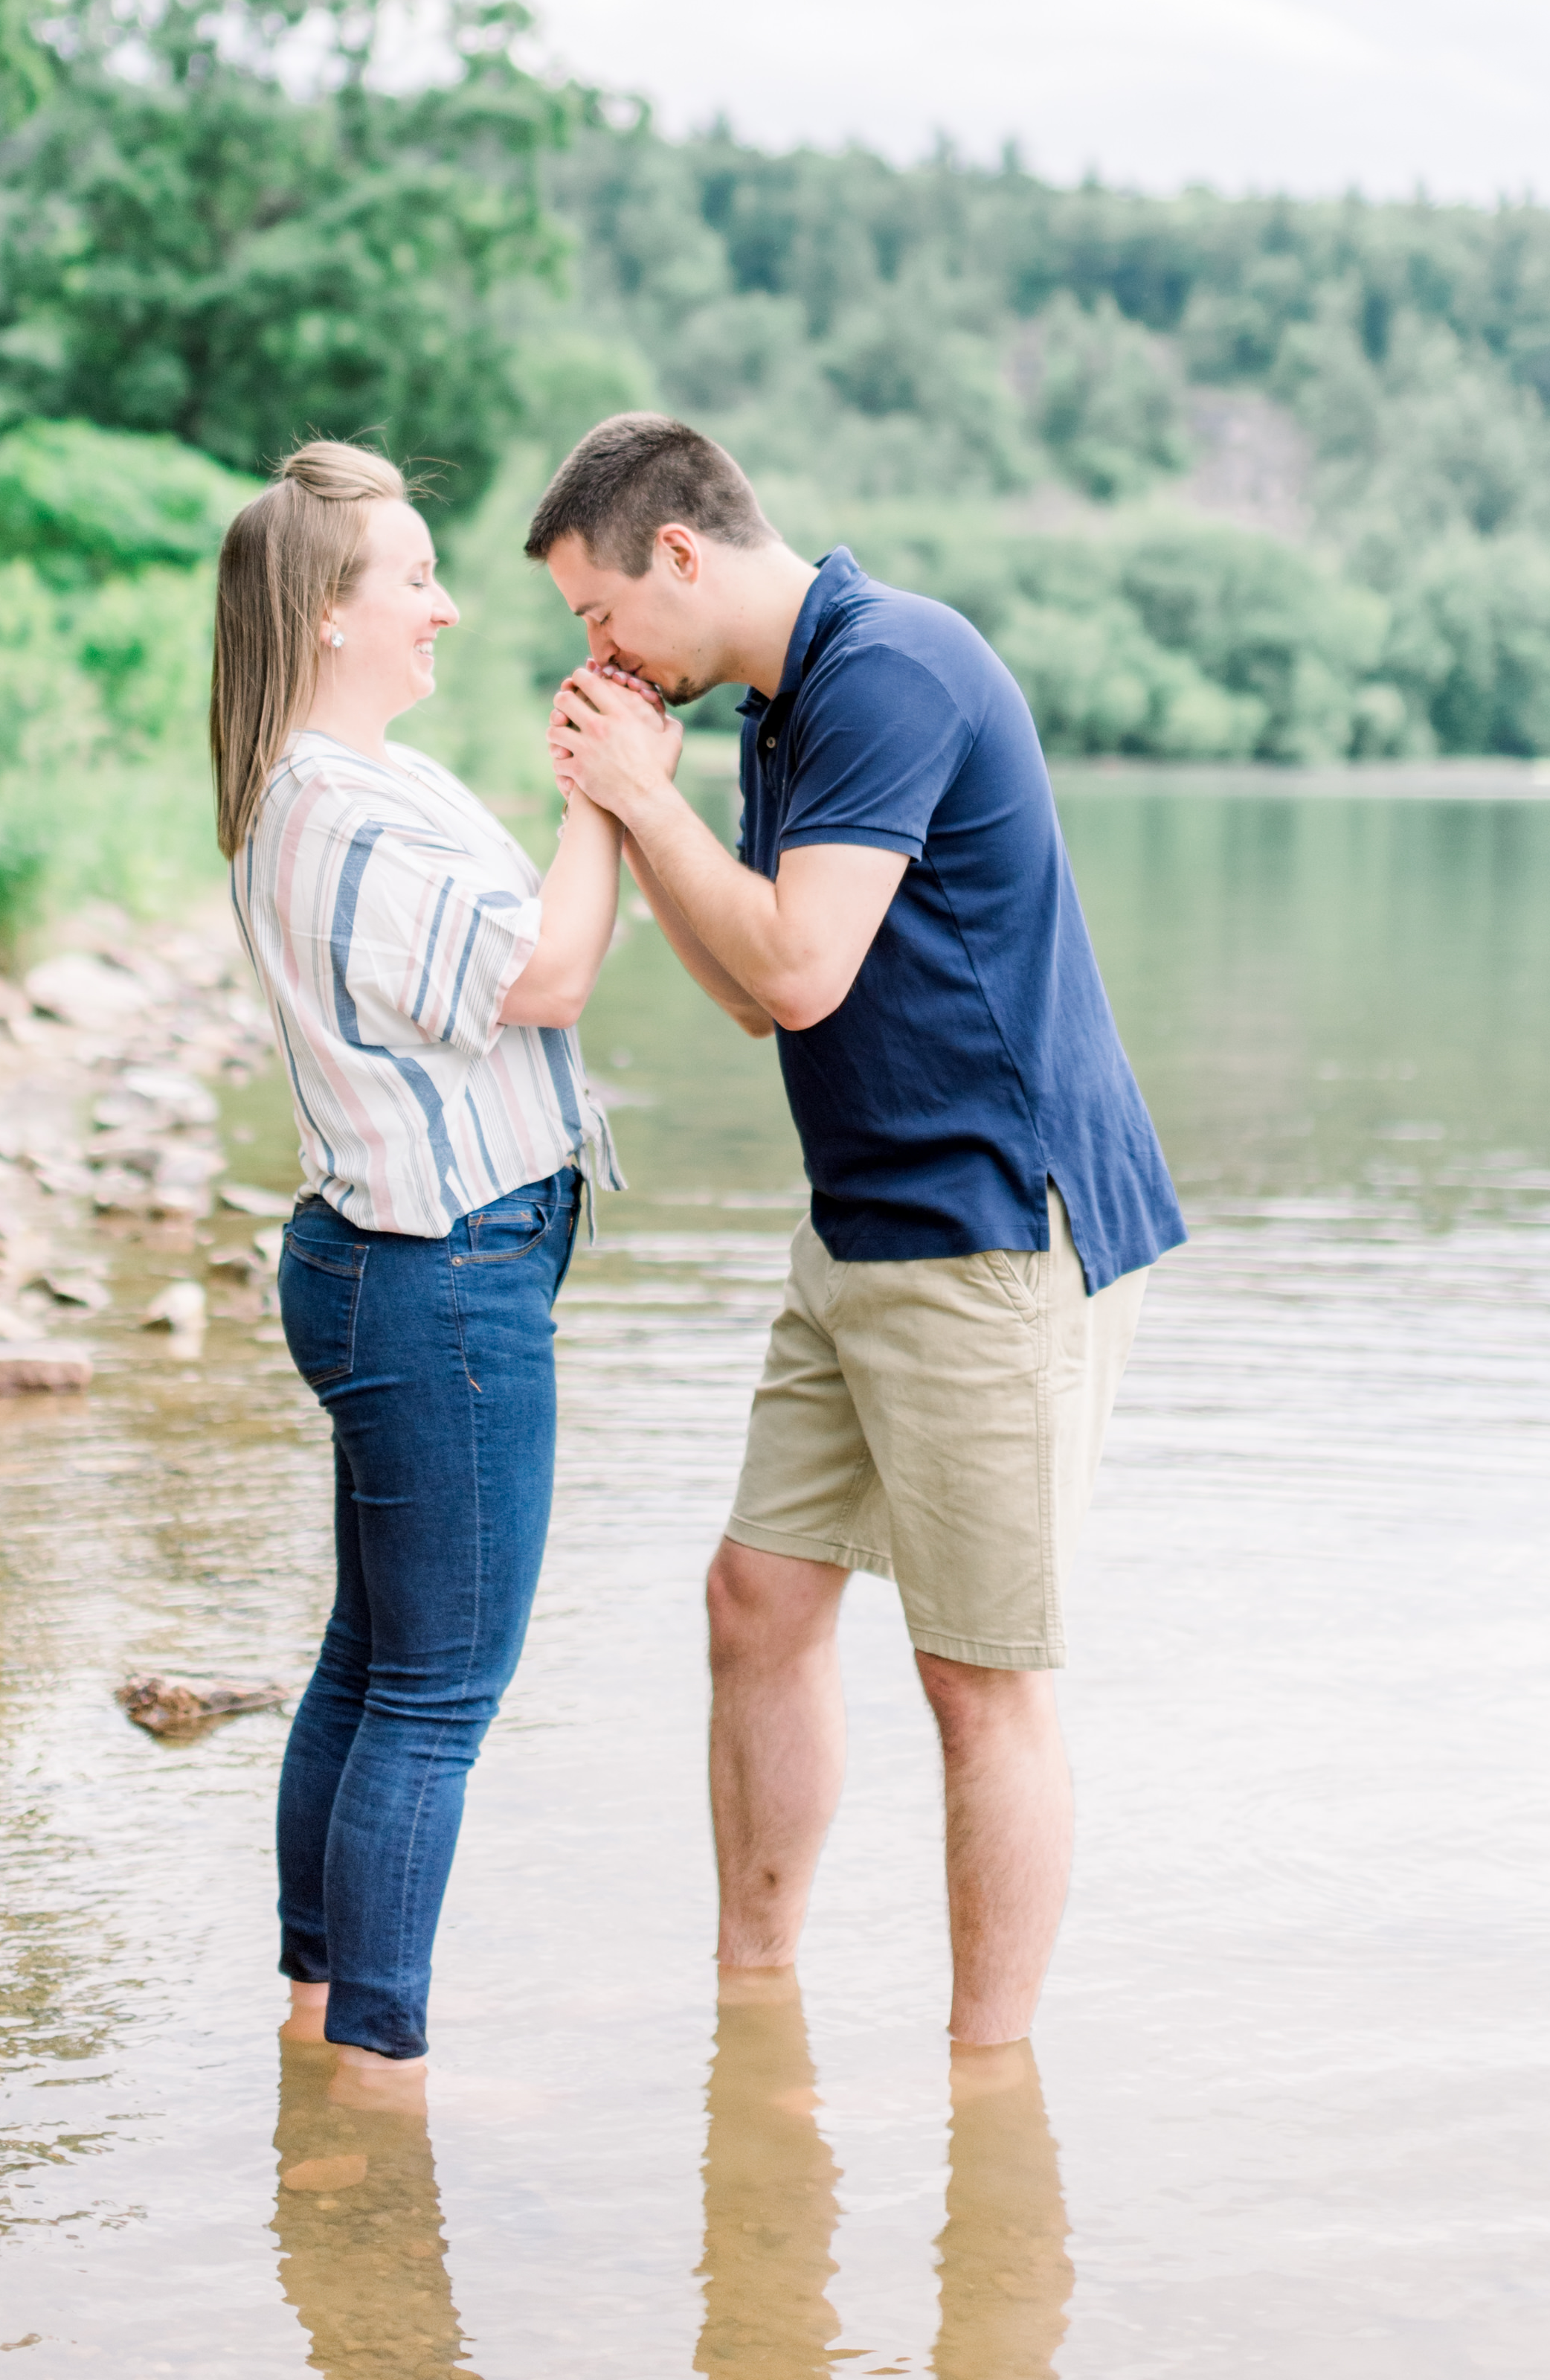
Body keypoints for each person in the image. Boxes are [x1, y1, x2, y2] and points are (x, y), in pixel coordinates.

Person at [528, 411, 1184, 2052]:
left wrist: (637, 798)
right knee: (755, 1600)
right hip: (860, 1228)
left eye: (599, 613)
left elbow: (803, 963)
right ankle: (754, 2006)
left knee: (980, 1679)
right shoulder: (782, 705)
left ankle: (989, 2079)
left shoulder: (891, 667)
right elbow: (756, 997)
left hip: (987, 1234)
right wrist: (634, 808)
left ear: (677, 553)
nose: (598, 650)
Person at [213, 440, 640, 2102]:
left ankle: (319, 2026)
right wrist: (606, 795)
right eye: (413, 577)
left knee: (371, 1666)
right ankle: (372, 2078)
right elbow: (545, 973)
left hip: (396, 1260)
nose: (445, 604)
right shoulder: (340, 806)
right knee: (436, 1697)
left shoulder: (332, 781)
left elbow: (526, 952)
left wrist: (579, 810)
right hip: (438, 1277)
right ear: (330, 612)